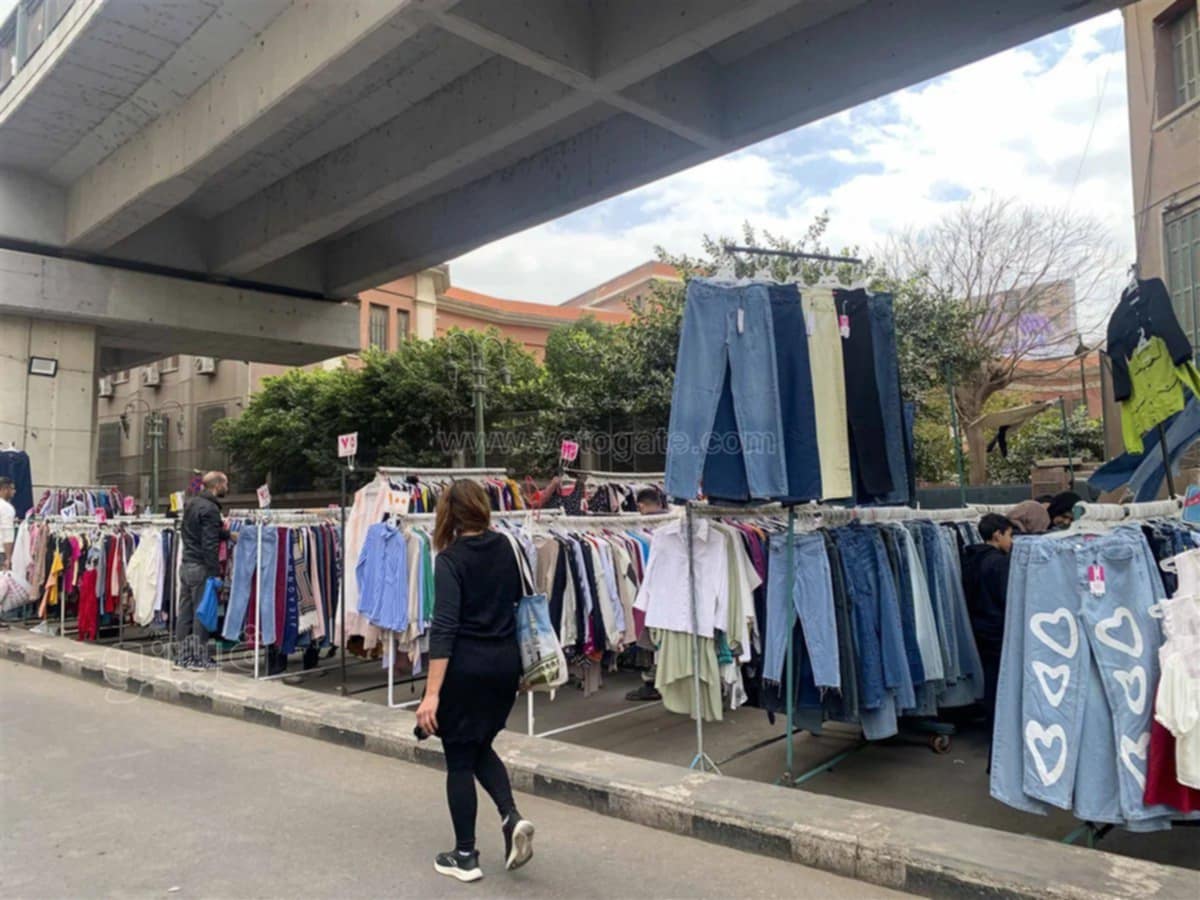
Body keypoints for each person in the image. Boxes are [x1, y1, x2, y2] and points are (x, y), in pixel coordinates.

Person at [416, 480, 535, 883]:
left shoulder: (450, 559)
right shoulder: (508, 547)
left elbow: (445, 628)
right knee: (479, 743)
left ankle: (465, 855)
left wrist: (431, 694)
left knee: (459, 758)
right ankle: (511, 817)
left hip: (466, 667)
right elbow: (517, 601)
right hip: (504, 664)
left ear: (448, 513)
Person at [962, 513, 1015, 733]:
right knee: (999, 683)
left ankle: (992, 724)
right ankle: (1000, 729)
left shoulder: (970, 558)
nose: (1012, 541)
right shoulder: (999, 563)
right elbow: (1006, 597)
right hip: (997, 630)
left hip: (979, 627)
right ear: (997, 535)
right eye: (1009, 535)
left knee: (990, 680)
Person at [178, 471, 234, 670]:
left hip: (186, 563)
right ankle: (198, 658)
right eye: (225, 484)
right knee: (202, 613)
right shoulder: (210, 509)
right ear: (217, 485)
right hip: (201, 566)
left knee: (185, 613)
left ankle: (183, 657)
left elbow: (195, 532)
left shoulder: (191, 504)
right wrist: (214, 572)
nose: (227, 487)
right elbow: (209, 543)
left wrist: (227, 534)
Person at [627, 487, 666, 702]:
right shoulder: (671, 523)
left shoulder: (648, 532)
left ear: (641, 506)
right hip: (669, 594)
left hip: (653, 595)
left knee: (652, 640)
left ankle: (652, 683)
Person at [0, 476, 15, 571]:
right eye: (12, 489)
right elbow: (7, 534)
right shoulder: (7, 508)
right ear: (5, 489)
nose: (14, 492)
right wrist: (8, 558)